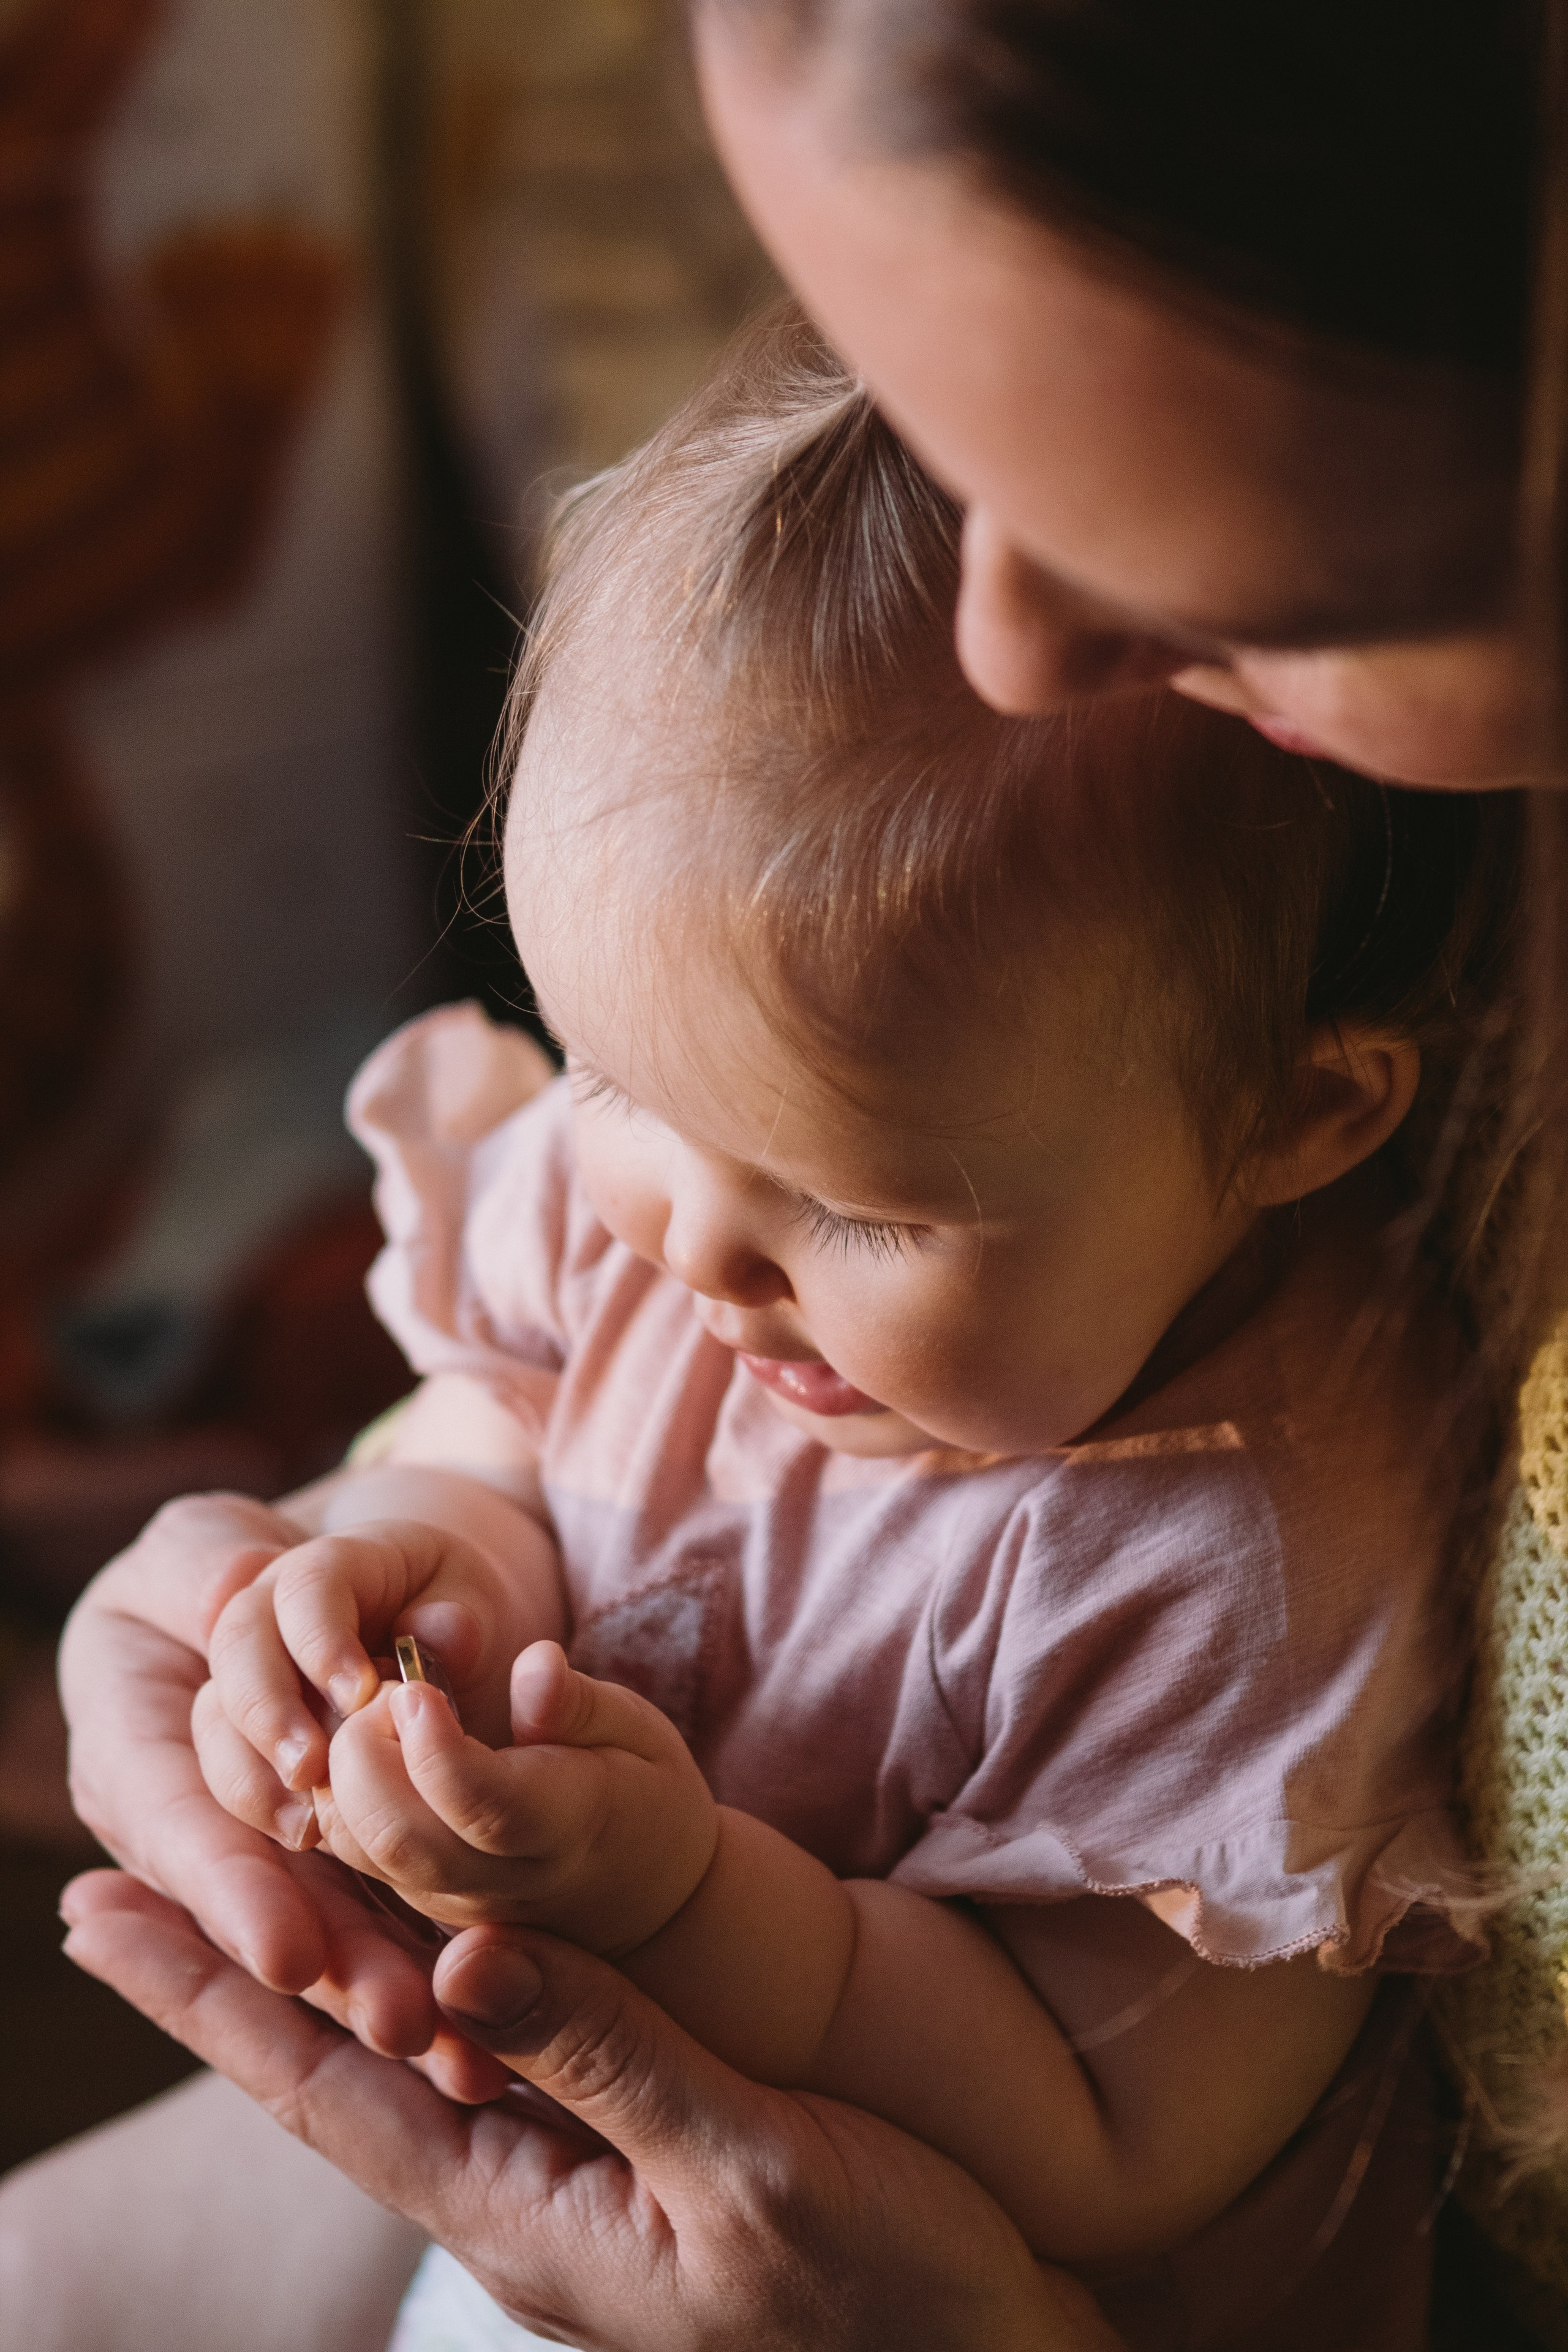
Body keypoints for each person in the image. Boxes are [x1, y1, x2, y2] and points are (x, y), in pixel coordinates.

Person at [15, 5, 1568, 2347]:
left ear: (1304, 1118)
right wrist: (378, 1583)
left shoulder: (1235, 1565)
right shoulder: (738, 1164)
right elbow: (506, 1421)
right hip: (529, 2161)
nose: (678, 1244)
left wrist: (686, 1889)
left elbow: (1096, 2129)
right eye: (621, 1086)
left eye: (869, 1212)